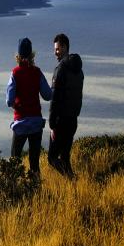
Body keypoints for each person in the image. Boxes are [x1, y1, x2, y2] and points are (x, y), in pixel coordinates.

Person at [6, 37, 52, 177]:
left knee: (14, 161)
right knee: (34, 163)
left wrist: (17, 106)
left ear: (18, 56)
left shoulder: (15, 73)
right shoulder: (37, 72)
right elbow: (47, 95)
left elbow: (9, 100)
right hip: (36, 123)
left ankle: (15, 191)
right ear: (32, 54)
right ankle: (36, 190)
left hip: (21, 123)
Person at [48, 33, 84, 178]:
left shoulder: (60, 69)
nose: (55, 52)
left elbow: (55, 97)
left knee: (51, 158)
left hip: (61, 121)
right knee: (65, 157)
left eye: (57, 49)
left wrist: (52, 124)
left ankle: (72, 179)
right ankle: (73, 184)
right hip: (73, 119)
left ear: (64, 47)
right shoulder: (79, 70)